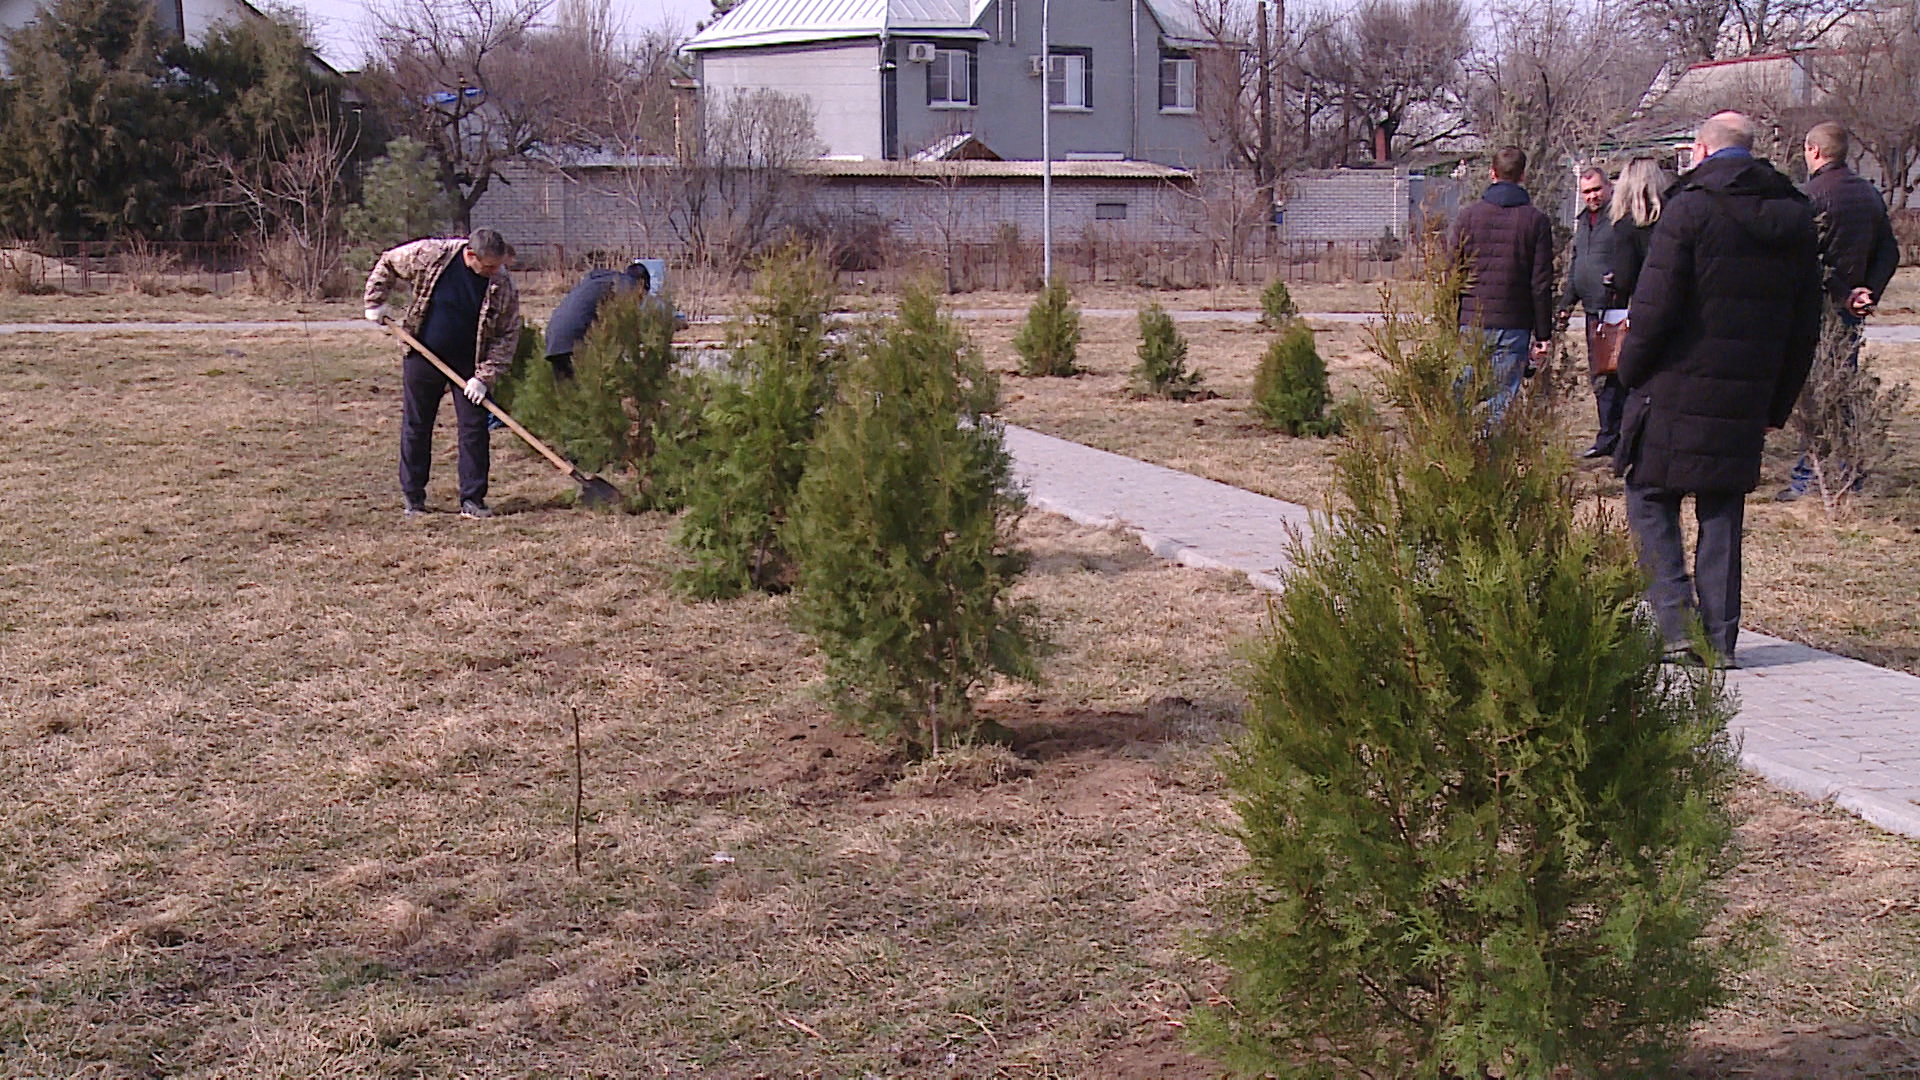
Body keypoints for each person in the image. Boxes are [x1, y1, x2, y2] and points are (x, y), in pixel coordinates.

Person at [1614, 112, 1822, 666]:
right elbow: (1806, 325)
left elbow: (1654, 307)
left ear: (1702, 151)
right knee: (1722, 508)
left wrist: (1628, 370)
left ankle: (1677, 624)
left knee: (1649, 496)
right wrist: (1778, 402)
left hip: (1675, 387)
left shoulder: (1690, 208)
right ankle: (1721, 640)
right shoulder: (1795, 217)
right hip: (1746, 395)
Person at [1778, 120, 1903, 501]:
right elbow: (1890, 251)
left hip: (1817, 308)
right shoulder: (1869, 194)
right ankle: (1849, 472)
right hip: (1850, 311)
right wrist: (1867, 291)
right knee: (1843, 390)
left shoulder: (1809, 196)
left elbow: (1810, 259)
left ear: (1814, 151)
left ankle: (1809, 476)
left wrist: (1846, 292)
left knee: (1815, 393)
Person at [364, 227, 523, 520]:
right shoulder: (433, 255)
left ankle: (473, 500)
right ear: (470, 255)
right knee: (417, 424)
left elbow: (508, 334)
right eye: (488, 266)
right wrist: (375, 302)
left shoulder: (502, 283)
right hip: (423, 353)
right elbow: (389, 262)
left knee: (474, 429)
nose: (494, 271)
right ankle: (414, 498)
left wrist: (484, 377)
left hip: (469, 364)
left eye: (498, 265)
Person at [1448, 145, 1555, 422]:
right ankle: (1490, 458)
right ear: (1523, 176)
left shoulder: (1467, 217)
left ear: (1491, 173)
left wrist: (1448, 320)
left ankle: (1460, 457)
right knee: (1499, 404)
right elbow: (1541, 283)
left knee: (1459, 399)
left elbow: (1452, 274)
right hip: (1514, 325)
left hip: (1471, 322)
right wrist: (1543, 335)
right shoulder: (1536, 221)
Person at [1556, 165, 1620, 457]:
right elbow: (1577, 266)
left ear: (1607, 187)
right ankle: (1607, 437)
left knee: (1621, 377)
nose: (1592, 196)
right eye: (1586, 192)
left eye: (1596, 189)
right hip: (1592, 311)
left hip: (1617, 312)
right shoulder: (1583, 222)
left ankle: (1624, 439)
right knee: (1600, 378)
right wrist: (1566, 304)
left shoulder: (1620, 218)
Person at [544, 259, 653, 381]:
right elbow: (622, 322)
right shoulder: (626, 283)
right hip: (576, 340)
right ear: (642, 283)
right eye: (642, 296)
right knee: (593, 390)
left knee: (568, 395)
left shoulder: (598, 281)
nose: (640, 302)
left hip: (554, 338)